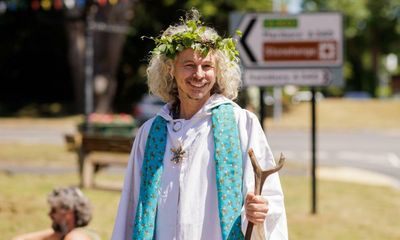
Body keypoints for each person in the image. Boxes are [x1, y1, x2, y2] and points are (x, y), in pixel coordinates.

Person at [112, 9, 288, 240]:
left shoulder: (240, 124)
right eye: (189, 65)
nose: (199, 74)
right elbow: (133, 202)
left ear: (218, 71)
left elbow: (268, 197)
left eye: (207, 66)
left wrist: (261, 210)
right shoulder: (151, 132)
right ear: (170, 69)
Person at [13, 186, 99, 240]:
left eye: (54, 210)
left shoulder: (75, 237)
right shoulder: (65, 234)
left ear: (68, 213)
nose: (50, 214)